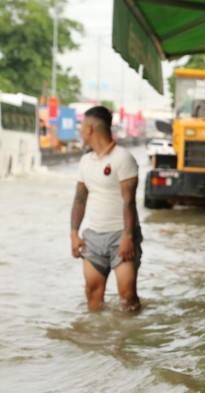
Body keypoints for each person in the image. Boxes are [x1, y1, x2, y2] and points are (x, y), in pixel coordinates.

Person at [70, 106, 142, 312]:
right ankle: (95, 340)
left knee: (128, 296)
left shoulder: (122, 158)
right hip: (93, 237)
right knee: (92, 293)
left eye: (82, 127)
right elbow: (79, 200)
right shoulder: (85, 161)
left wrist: (128, 237)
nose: (80, 132)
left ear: (91, 129)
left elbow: (129, 201)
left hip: (121, 236)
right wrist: (74, 234)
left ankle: (126, 339)